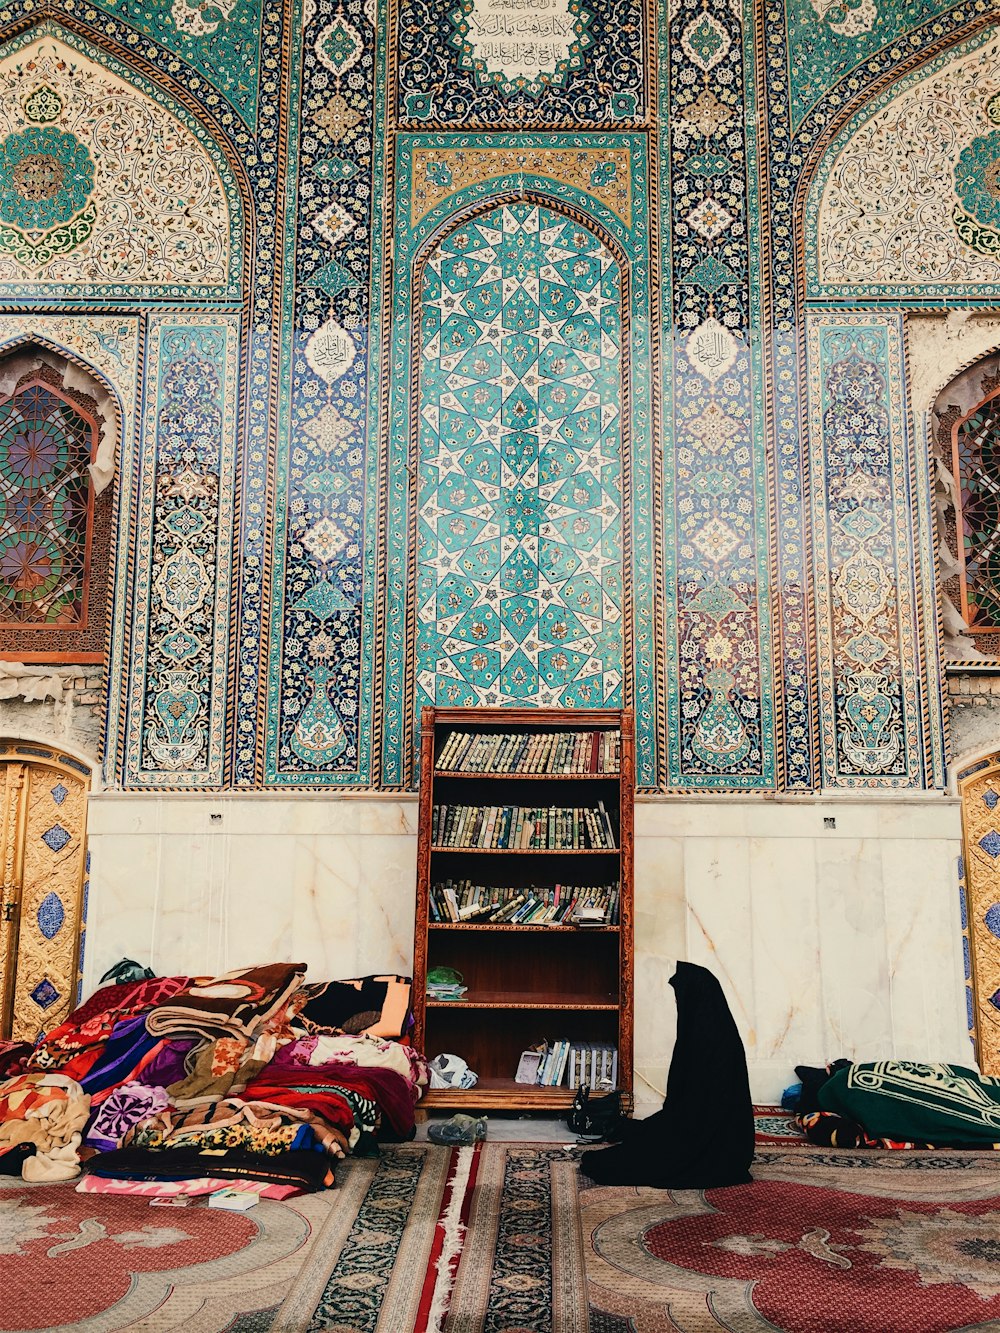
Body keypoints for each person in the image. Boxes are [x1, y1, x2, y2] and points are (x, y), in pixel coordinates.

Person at [579, 961, 754, 1188]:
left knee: (639, 1158)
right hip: (726, 1142)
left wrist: (676, 1125)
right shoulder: (708, 1029)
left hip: (716, 1142)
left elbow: (700, 1106)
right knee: (650, 1139)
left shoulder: (710, 1042)